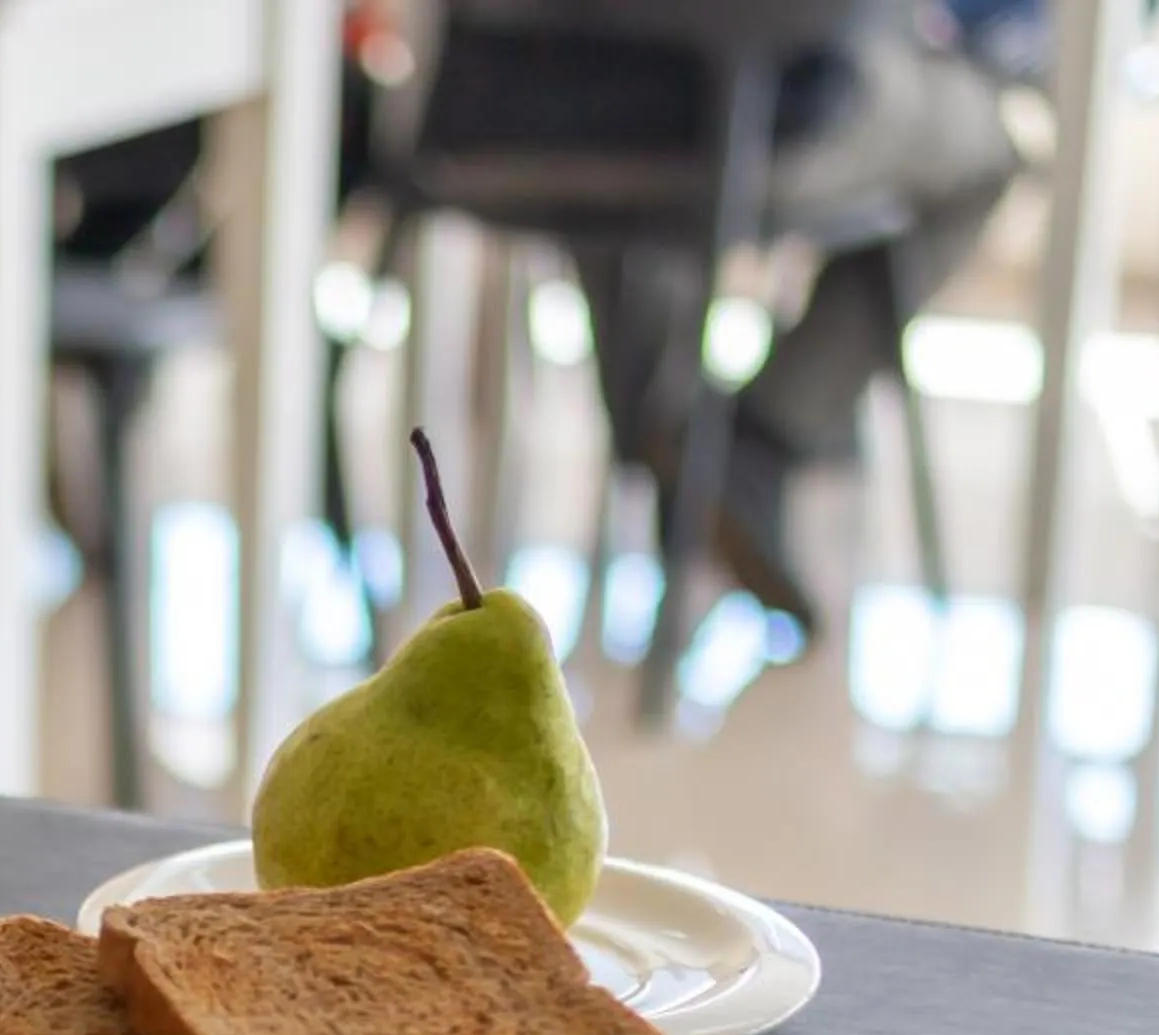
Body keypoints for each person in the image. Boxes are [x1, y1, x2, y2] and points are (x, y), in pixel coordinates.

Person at [422, 3, 1035, 638]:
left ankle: (668, 425)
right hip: (753, 111)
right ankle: (754, 438)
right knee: (984, 150)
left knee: (622, 94)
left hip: (488, 111)